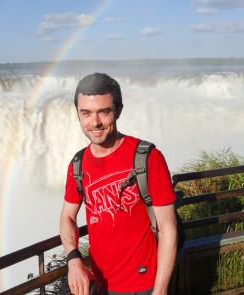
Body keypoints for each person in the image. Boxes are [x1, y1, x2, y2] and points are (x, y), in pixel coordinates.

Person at [59, 73, 178, 295]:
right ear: (78, 114)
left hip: (144, 286)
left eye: (103, 112)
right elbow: (67, 217)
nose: (94, 122)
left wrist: (160, 291)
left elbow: (168, 229)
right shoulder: (78, 164)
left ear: (118, 110)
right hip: (100, 285)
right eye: (86, 113)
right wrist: (74, 261)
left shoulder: (147, 158)